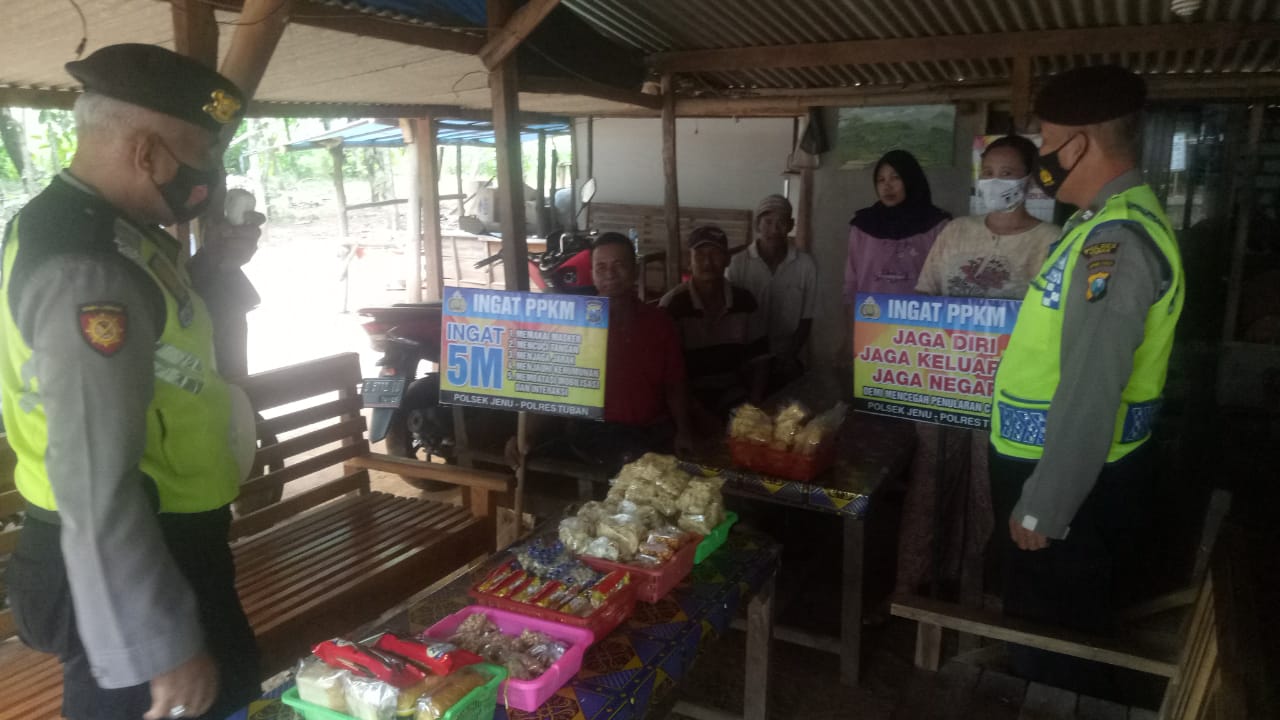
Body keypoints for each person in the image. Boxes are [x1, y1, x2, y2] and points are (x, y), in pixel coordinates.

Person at [1, 44, 263, 720]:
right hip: (127, 560)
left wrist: (216, 266)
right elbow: (91, 474)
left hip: (161, 542)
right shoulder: (85, 269)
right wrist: (156, 642)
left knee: (236, 696)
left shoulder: (110, 229)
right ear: (146, 153)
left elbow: (160, 336)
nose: (208, 173)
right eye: (200, 151)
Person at [989, 65, 1185, 699]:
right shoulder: (1099, 223)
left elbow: (1093, 381)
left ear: (1080, 143)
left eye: (1048, 141)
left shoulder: (1116, 242)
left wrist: (1047, 503)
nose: (1042, 157)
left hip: (1068, 480)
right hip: (1064, 466)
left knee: (1055, 636)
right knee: (1048, 620)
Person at [895, 136, 1060, 597]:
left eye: (1008, 173)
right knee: (930, 483)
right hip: (945, 385)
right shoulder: (955, 232)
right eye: (988, 172)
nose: (995, 181)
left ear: (1029, 180)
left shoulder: (1051, 241)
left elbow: (1052, 323)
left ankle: (981, 594)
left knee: (990, 490)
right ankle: (918, 584)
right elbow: (924, 297)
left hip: (1007, 395)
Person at [510, 233, 692, 470]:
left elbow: (675, 384)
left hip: (654, 430)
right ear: (593, 273)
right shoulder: (573, 323)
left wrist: (684, 431)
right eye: (601, 267)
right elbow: (550, 387)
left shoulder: (660, 323)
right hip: (595, 432)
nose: (610, 274)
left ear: (636, 271)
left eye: (619, 265)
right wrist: (525, 435)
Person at [660, 226, 769, 429]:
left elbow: (760, 359)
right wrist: (700, 415)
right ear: (689, 261)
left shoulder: (745, 301)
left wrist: (755, 405)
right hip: (686, 397)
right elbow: (668, 376)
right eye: (699, 255)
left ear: (727, 259)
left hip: (732, 391)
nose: (707, 262)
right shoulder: (672, 305)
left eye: (715, 254)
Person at [727, 194, 818, 391]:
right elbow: (731, 317)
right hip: (747, 355)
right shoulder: (738, 264)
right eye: (768, 222)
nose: (774, 230)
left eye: (781, 223)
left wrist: (789, 357)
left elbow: (806, 318)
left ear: (791, 225)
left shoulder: (805, 265)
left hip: (788, 355)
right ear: (757, 225)